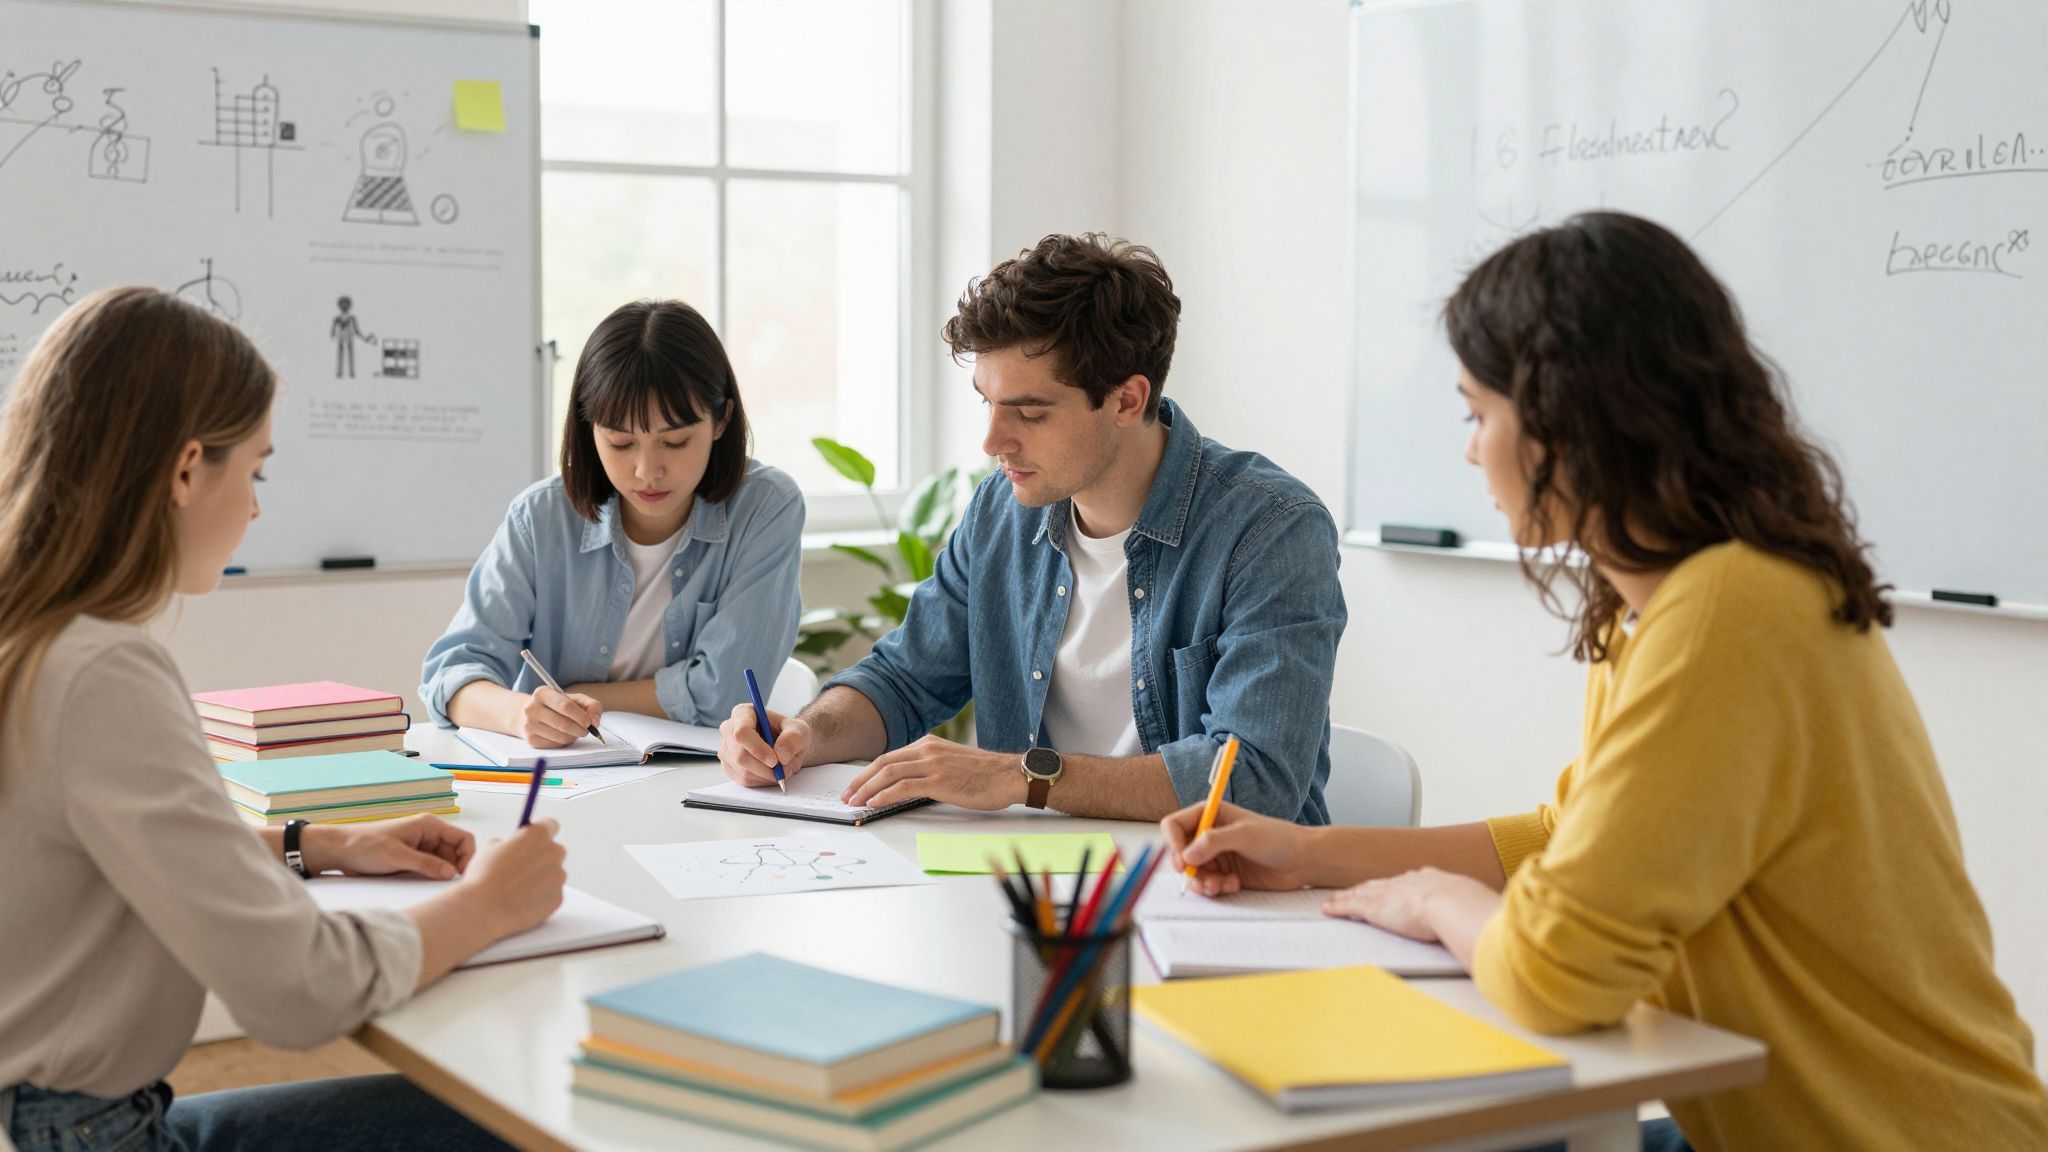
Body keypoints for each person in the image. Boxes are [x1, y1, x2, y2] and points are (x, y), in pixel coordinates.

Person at [1160, 212, 2048, 1151]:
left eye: (1478, 413)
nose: (1470, 451)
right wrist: (1308, 852)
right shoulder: (1665, 604)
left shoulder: (1728, 613)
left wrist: (1430, 900)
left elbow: (1554, 972)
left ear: (1566, 420)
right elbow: (1564, 838)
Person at [0, 286, 568, 1152]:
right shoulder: (100, 671)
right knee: (511, 1119)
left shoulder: (33, 635)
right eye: (255, 470)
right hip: (87, 1136)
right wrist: (488, 905)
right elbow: (295, 990)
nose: (258, 507)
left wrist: (321, 844)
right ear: (187, 468)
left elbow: (108, 865)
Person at [718, 234, 1346, 823]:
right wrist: (807, 733)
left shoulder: (1271, 530)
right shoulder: (1002, 509)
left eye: (1030, 413)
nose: (993, 440)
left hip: (1212, 884)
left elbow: (1256, 779)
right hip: (1031, 876)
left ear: (1127, 400)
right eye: (987, 402)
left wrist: (1028, 776)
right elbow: (903, 680)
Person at [422, 300, 804, 747]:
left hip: (698, 779)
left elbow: (724, 696)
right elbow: (450, 677)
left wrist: (569, 699)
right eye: (621, 443)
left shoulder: (765, 507)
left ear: (721, 420)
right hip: (566, 778)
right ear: (590, 429)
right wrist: (520, 714)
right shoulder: (541, 518)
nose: (647, 471)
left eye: (676, 442)